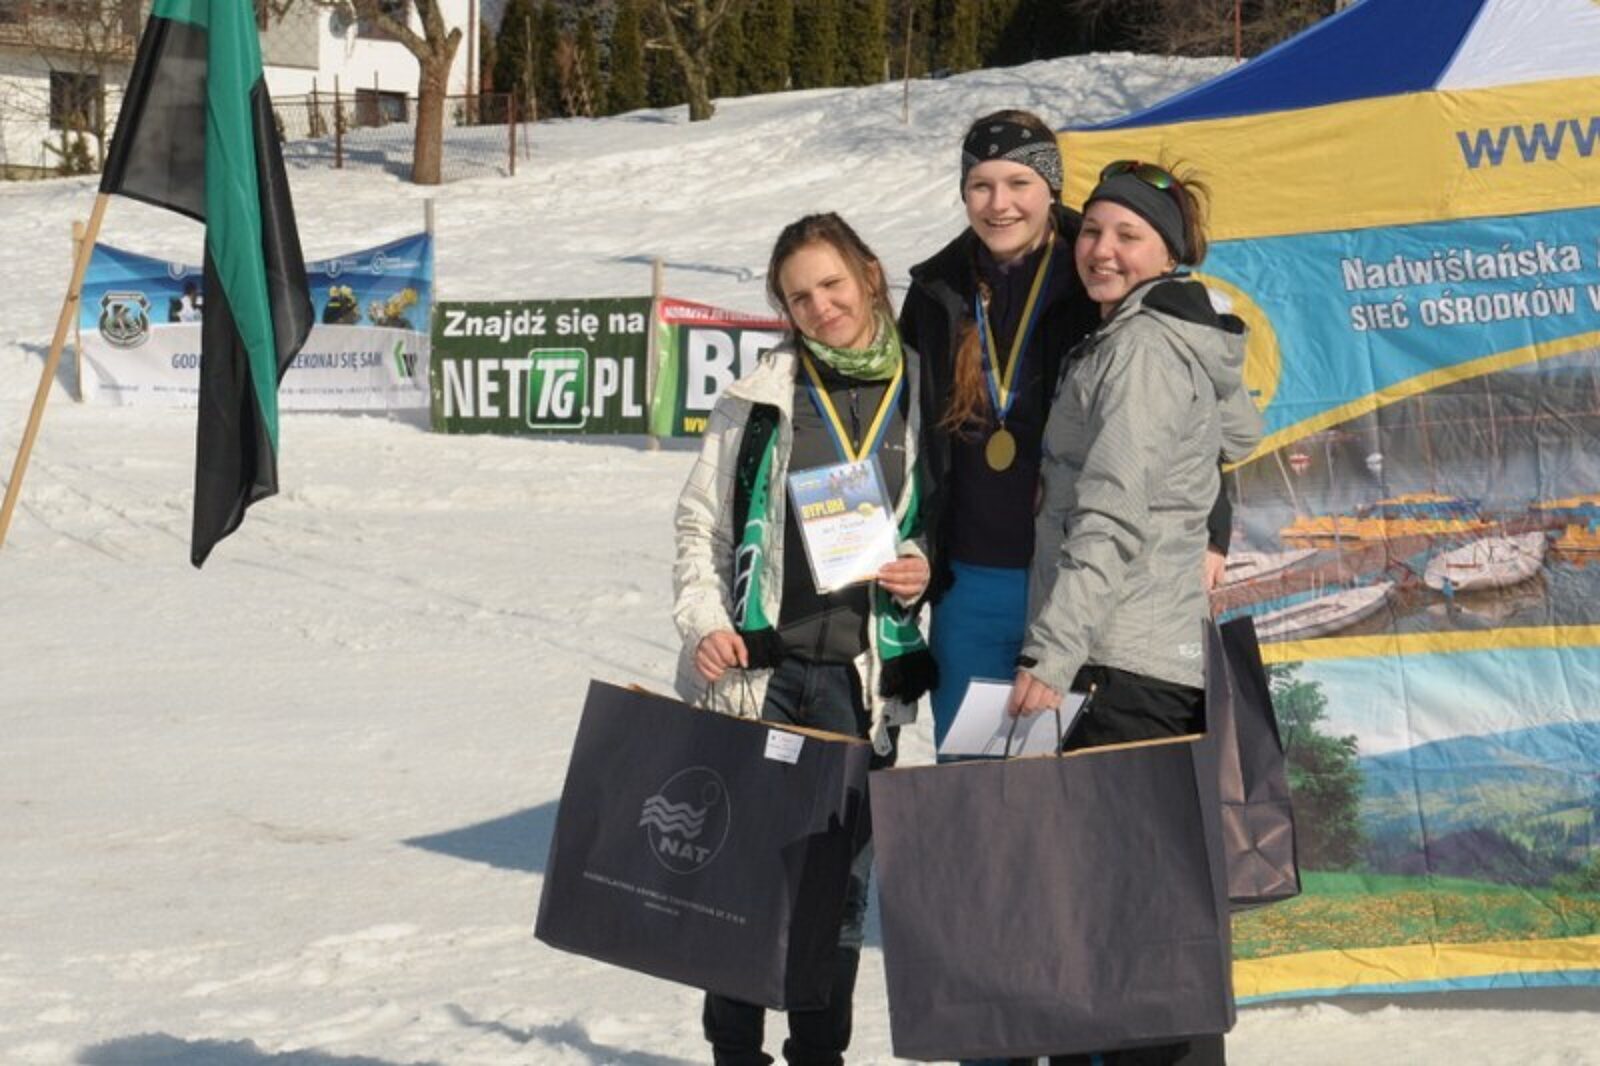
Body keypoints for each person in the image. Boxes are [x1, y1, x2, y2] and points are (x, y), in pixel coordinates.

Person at [1008, 161, 1264, 1066]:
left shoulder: (1143, 350)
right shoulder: (1167, 338)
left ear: (1169, 254)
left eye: (1129, 235)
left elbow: (1111, 517)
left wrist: (1049, 658)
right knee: (1154, 930)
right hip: (1149, 666)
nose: (1102, 250)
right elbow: (1228, 444)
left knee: (1126, 936)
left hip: (1114, 670)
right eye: (1093, 231)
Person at [672, 212, 935, 1066]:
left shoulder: (926, 390)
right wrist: (707, 624)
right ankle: (733, 1053)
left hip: (860, 685)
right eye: (799, 297)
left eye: (832, 284)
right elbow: (702, 525)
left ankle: (820, 1053)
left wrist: (923, 565)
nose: (821, 307)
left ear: (869, 274)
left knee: (835, 891)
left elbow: (946, 521)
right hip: (758, 675)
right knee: (739, 878)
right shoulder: (760, 397)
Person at [899, 111, 1234, 759]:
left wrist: (1214, 524)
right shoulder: (935, 291)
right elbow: (904, 425)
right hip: (974, 576)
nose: (999, 204)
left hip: (1074, 578)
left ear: (1051, 188)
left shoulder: (1100, 268)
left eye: (1019, 183)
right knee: (974, 781)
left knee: (1070, 790)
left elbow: (1189, 408)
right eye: (981, 186)